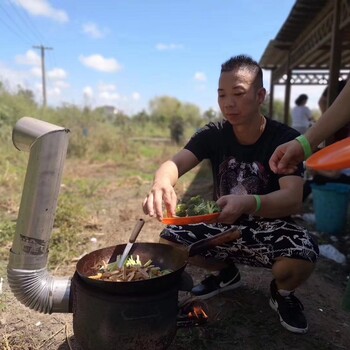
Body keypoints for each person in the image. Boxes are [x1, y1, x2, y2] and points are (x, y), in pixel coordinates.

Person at [143, 55, 319, 334]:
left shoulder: (284, 138)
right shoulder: (214, 134)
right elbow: (174, 163)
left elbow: (292, 198)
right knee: (171, 241)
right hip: (222, 223)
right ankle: (225, 274)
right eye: (221, 95)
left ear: (260, 95)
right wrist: (161, 182)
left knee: (301, 255)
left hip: (269, 226)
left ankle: (282, 293)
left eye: (238, 93)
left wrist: (250, 203)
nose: (228, 103)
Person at [269, 79, 350, 175]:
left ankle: (310, 167)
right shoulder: (306, 109)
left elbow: (322, 101)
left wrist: (305, 142)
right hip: (305, 129)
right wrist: (305, 143)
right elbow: (311, 117)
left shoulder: (295, 109)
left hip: (297, 129)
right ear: (304, 100)